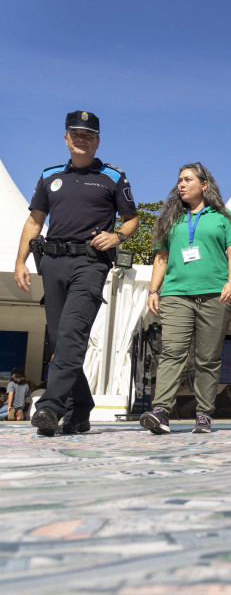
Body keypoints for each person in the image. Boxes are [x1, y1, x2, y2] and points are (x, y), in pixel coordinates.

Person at [14, 110, 139, 436]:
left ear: (97, 141)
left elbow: (131, 219)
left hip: (90, 264)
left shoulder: (114, 176)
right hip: (51, 263)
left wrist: (118, 236)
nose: (82, 138)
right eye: (76, 133)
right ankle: (81, 408)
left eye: (89, 134)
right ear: (66, 138)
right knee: (60, 341)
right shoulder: (49, 176)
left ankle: (51, 407)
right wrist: (19, 263)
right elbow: (34, 222)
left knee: (71, 335)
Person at [139, 163, 231, 435]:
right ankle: (161, 410)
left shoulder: (224, 217)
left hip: (215, 294)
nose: (181, 184)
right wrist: (153, 290)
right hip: (175, 294)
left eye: (187, 179)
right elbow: (161, 258)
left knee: (207, 358)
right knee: (172, 352)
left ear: (204, 184)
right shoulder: (170, 219)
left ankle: (204, 414)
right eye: (179, 180)